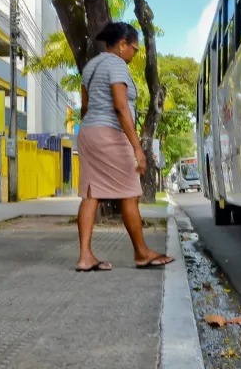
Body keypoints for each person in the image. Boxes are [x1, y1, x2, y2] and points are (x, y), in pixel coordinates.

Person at [75, 22, 175, 272]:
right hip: (110, 134)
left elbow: (84, 108)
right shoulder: (117, 65)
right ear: (122, 45)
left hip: (88, 133)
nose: (135, 53)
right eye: (134, 48)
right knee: (130, 193)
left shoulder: (91, 66)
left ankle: (85, 256)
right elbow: (121, 107)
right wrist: (137, 148)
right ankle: (141, 253)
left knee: (91, 194)